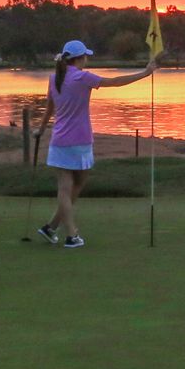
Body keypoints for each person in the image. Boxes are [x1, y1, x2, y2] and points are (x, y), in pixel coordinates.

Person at [39, 40, 156, 249]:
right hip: (79, 140)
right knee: (71, 187)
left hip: (59, 141)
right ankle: (71, 235)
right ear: (80, 58)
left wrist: (40, 130)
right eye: (85, 56)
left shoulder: (54, 77)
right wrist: (145, 73)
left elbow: (49, 109)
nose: (87, 60)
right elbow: (116, 82)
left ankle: (51, 227)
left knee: (70, 186)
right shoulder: (82, 77)